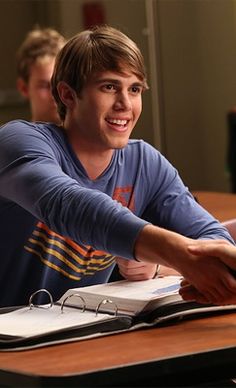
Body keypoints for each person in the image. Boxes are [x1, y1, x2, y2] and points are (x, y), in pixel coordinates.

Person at [0, 25, 236, 308]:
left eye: (134, 89)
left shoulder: (145, 163)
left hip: (88, 333)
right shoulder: (17, 141)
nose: (125, 104)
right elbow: (68, 204)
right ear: (67, 94)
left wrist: (159, 265)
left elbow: (214, 240)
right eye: (109, 87)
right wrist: (176, 252)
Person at [16, 27, 66, 124]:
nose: (56, 93)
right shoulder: (17, 137)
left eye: (62, 82)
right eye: (44, 85)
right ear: (24, 88)